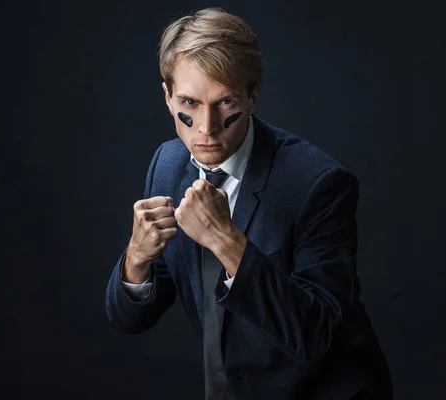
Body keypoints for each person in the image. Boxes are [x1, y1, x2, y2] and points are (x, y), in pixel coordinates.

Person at [105, 7, 393, 400]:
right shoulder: (167, 164)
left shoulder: (319, 184)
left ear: (252, 97)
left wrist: (227, 241)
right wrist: (136, 259)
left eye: (225, 104)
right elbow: (130, 319)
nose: (206, 129)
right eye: (189, 103)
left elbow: (319, 335)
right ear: (168, 97)